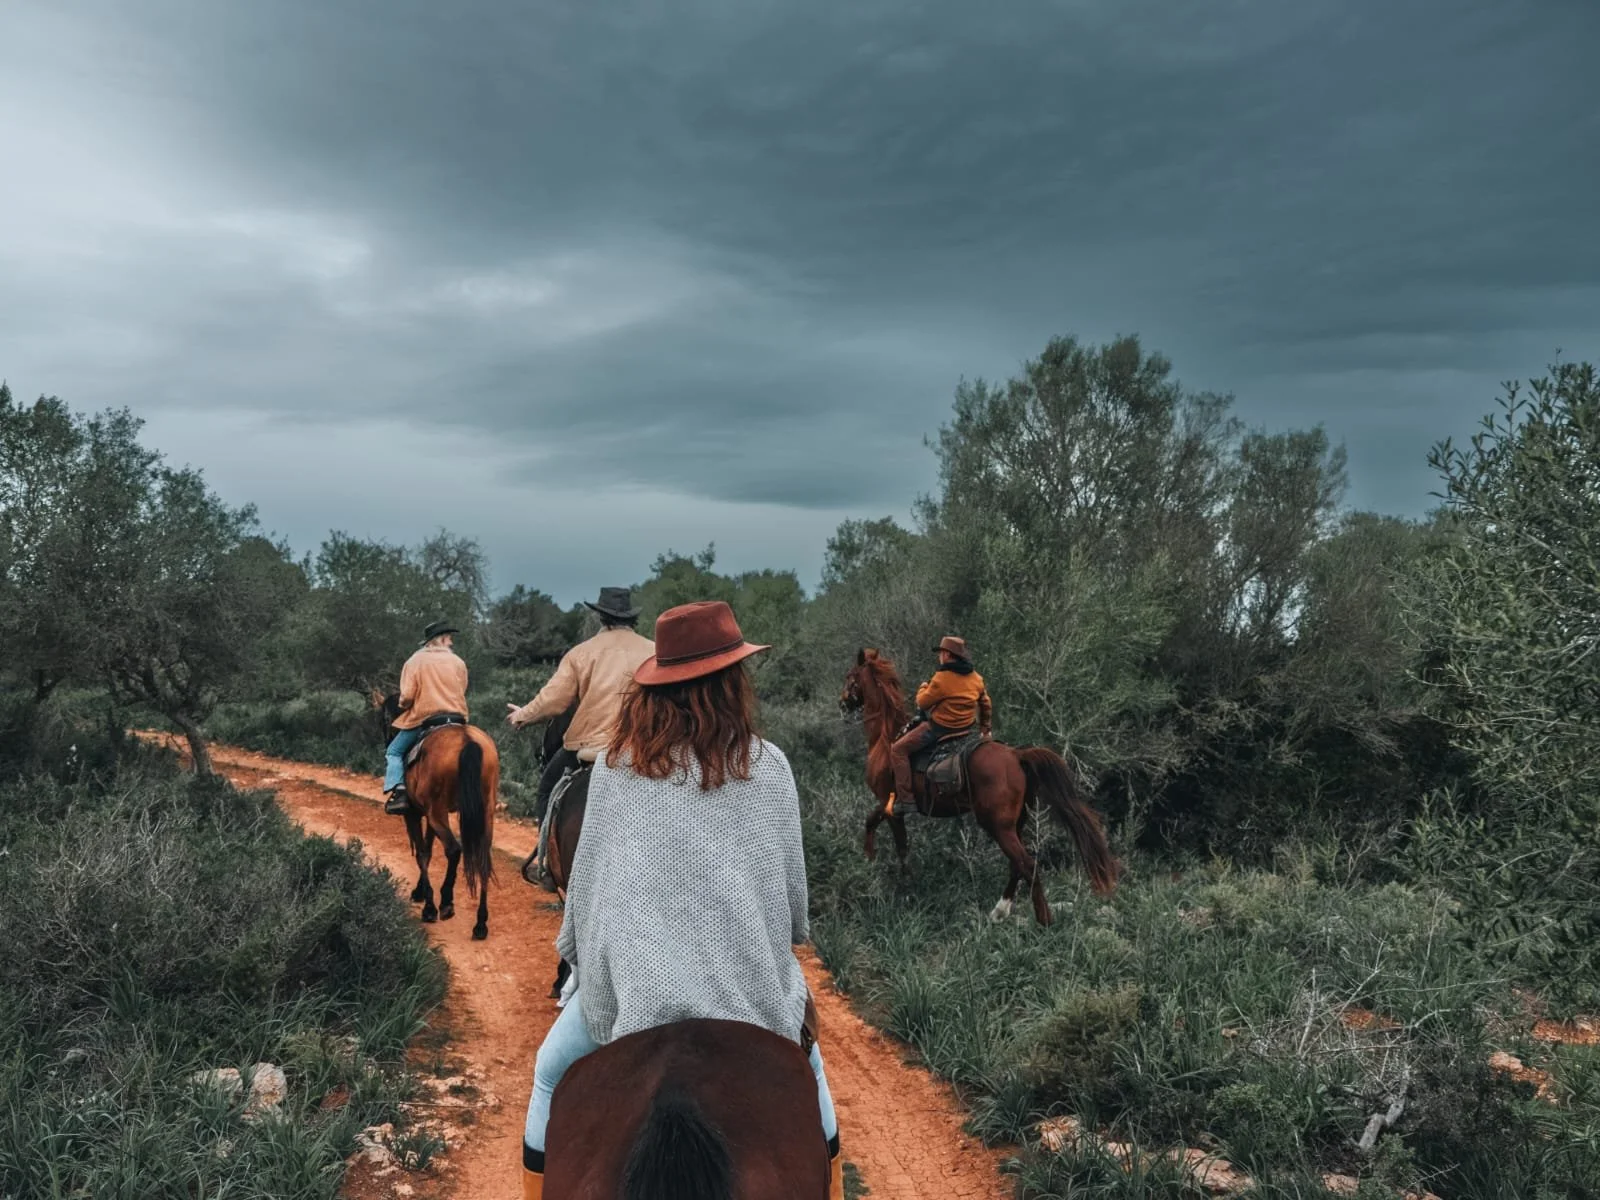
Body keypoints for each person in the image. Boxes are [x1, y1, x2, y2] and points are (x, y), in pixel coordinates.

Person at [519, 600, 842, 1200]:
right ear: (733, 682)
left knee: (548, 1074)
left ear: (657, 686)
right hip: (750, 1000)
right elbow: (794, 908)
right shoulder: (770, 767)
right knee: (815, 1099)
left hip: (637, 998)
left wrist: (592, 964)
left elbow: (584, 903)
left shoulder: (616, 769)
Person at [506, 586, 654, 824]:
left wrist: (522, 715)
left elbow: (553, 702)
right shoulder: (654, 652)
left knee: (545, 790)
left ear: (601, 616)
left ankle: (546, 857)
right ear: (631, 618)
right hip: (644, 748)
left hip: (591, 747)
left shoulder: (581, 653)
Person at [888, 635, 992, 813]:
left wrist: (922, 687)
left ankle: (906, 800)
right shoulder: (977, 678)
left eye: (941, 653)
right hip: (966, 729)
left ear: (948, 655)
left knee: (897, 750)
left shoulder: (942, 678)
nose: (940, 656)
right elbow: (986, 704)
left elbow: (922, 702)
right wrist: (985, 730)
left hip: (939, 729)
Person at [383, 620, 471, 815]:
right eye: (448, 638)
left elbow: (407, 697)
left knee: (394, 751)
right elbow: (462, 689)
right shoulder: (458, 662)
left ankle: (400, 792)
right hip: (457, 718)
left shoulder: (414, 662)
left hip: (426, 719)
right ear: (438, 640)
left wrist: (403, 705)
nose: (451, 643)